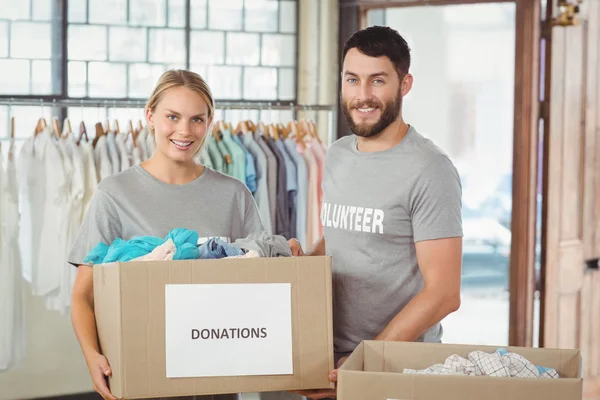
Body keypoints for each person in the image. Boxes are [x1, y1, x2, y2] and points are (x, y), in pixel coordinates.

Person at [68, 69, 303, 400]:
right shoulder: (115, 193)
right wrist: (92, 356)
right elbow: (82, 295)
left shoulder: (234, 193)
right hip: (141, 375)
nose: (184, 130)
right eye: (172, 117)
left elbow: (257, 284)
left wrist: (286, 258)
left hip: (217, 376)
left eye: (196, 119)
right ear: (150, 116)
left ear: (209, 123)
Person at [295, 26, 463, 399]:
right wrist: (302, 265)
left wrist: (364, 362)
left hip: (395, 370)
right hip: (332, 359)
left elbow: (444, 293)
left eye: (378, 81)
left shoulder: (429, 168)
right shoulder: (337, 153)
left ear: (404, 85)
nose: (362, 95)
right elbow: (348, 234)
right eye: (352, 80)